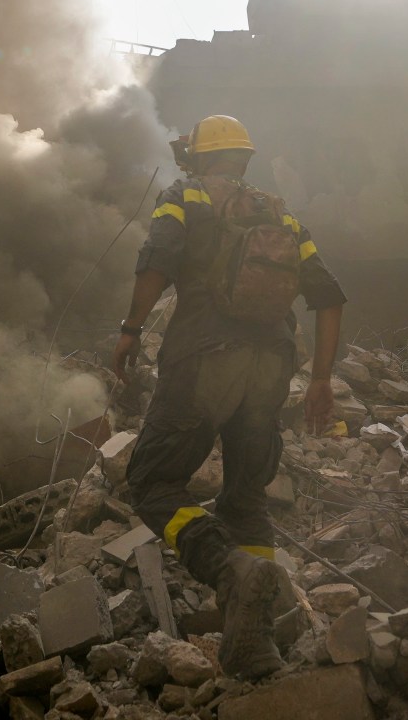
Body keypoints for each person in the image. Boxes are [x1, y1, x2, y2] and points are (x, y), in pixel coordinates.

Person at [110, 114, 347, 679]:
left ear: (195, 156)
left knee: (150, 481)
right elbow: (330, 296)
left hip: (203, 361)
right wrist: (319, 380)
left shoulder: (184, 196)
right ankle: (253, 644)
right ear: (243, 158)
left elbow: (157, 262)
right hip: (271, 368)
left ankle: (225, 567)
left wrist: (130, 329)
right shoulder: (279, 213)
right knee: (246, 499)